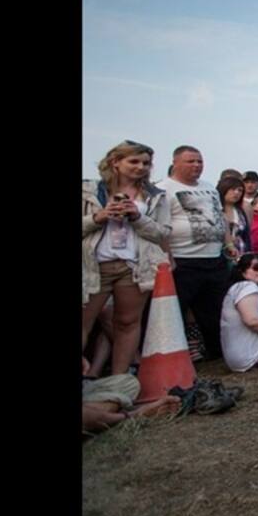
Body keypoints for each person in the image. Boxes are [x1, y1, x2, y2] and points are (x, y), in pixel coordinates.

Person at [82, 140, 172, 376]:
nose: (141, 167)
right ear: (115, 162)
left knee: (128, 322)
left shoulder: (156, 196)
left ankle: (120, 379)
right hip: (94, 265)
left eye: (146, 163)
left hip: (134, 266)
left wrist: (137, 217)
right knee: (85, 321)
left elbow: (163, 233)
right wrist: (99, 217)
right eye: (134, 161)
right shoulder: (89, 190)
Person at [157, 145, 231, 360]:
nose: (197, 165)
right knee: (178, 309)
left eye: (199, 161)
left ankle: (216, 351)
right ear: (175, 163)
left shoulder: (209, 188)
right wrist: (167, 255)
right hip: (183, 259)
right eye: (190, 161)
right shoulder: (163, 189)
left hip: (213, 257)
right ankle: (176, 355)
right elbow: (161, 227)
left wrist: (228, 243)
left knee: (215, 308)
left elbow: (220, 217)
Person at [217, 176, 250, 259]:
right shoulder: (215, 210)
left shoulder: (240, 212)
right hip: (218, 254)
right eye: (233, 189)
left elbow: (247, 236)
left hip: (240, 254)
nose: (236, 193)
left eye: (240, 190)